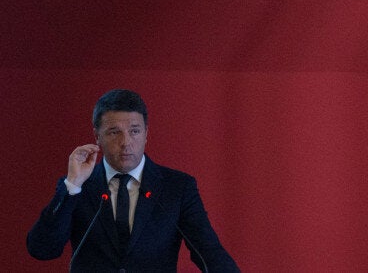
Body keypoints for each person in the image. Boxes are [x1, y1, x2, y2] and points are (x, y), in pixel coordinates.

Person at [27, 89, 239, 272]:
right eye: (114, 132)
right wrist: (72, 186)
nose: (126, 142)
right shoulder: (79, 186)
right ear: (97, 136)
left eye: (134, 131)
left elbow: (208, 251)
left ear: (146, 134)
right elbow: (43, 249)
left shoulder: (177, 187)